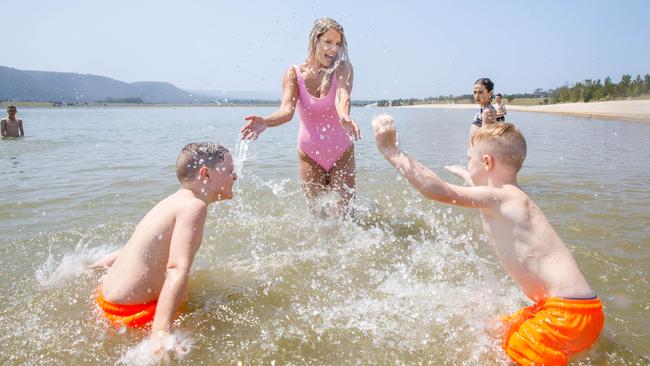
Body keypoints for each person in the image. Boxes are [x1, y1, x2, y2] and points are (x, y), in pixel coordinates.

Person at [372, 115, 604, 365]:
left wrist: (390, 149)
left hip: (566, 314)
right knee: (496, 330)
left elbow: (436, 190)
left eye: (470, 159)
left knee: (515, 351)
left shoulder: (501, 198)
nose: (468, 163)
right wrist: (472, 177)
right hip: (575, 312)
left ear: (487, 162)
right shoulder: (512, 196)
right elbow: (485, 192)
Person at [91, 143, 237, 350]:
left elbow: (132, 248)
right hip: (132, 314)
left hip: (103, 300)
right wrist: (160, 331)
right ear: (205, 174)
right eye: (230, 171)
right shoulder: (195, 206)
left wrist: (90, 268)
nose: (235, 177)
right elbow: (177, 268)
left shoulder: (171, 202)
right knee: (221, 315)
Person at [240, 18, 361, 213]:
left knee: (346, 215)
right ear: (315, 40)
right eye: (328, 42)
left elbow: (342, 96)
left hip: (342, 152)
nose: (333, 49)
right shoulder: (294, 73)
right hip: (310, 154)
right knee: (317, 217)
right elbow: (286, 111)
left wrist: (344, 116)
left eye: (338, 44)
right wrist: (266, 122)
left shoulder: (343, 68)